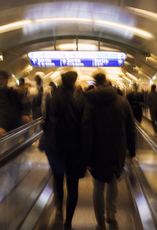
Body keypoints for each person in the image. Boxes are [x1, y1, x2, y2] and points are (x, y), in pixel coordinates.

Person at [83, 73, 136, 230]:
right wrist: (131, 151)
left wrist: (86, 158)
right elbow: (131, 129)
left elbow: (86, 130)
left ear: (95, 83)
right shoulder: (123, 101)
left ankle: (100, 219)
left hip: (96, 151)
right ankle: (111, 212)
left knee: (98, 185)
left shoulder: (90, 103)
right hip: (117, 148)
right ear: (108, 82)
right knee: (113, 180)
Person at [43, 71, 86, 230]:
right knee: (73, 186)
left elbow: (46, 121)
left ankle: (59, 209)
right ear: (74, 82)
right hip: (74, 149)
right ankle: (69, 221)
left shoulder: (53, 97)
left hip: (56, 148)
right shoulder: (81, 99)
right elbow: (84, 126)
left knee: (58, 179)